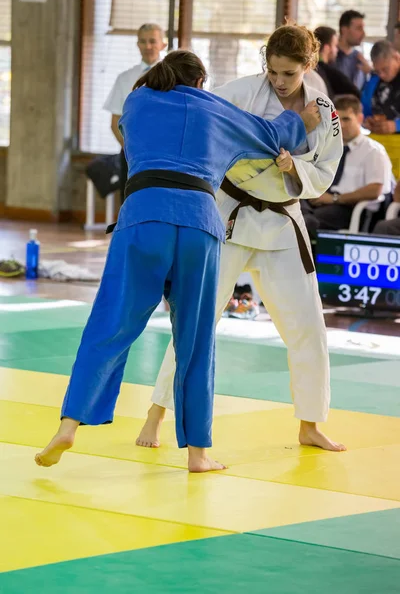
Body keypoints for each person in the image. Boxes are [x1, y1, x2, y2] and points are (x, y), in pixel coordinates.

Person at [35, 50, 319, 473]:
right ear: (201, 81)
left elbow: (130, 140)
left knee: (109, 326)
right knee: (196, 337)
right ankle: (199, 454)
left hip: (143, 216)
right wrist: (303, 122)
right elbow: (270, 135)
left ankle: (69, 425)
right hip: (199, 223)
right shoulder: (214, 109)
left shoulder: (137, 102)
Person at [137, 23, 347, 454]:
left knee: (308, 327)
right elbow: (206, 139)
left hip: (283, 221)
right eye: (273, 71)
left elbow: (327, 171)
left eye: (289, 73)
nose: (279, 81)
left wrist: (296, 171)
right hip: (230, 216)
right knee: (195, 323)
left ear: (309, 66)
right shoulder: (237, 93)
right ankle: (155, 413)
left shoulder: (326, 112)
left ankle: (309, 424)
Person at [302, 94, 392, 235]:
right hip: (320, 201)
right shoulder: (326, 146)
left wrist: (333, 199)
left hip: (348, 208)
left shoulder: (373, 151)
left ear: (360, 119)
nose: (341, 125)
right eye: (336, 119)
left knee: (311, 220)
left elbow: (375, 190)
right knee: (292, 206)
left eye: (346, 119)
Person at [103, 23, 167, 202]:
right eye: (143, 41)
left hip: (164, 155)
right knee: (130, 201)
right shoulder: (125, 79)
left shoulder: (174, 78)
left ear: (163, 44)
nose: (148, 46)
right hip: (131, 156)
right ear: (137, 44)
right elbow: (115, 121)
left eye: (152, 41)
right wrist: (131, 150)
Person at [362, 40, 400, 135]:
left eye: (385, 69)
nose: (382, 75)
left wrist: (396, 125)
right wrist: (368, 121)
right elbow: (364, 109)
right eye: (378, 71)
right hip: (378, 142)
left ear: (397, 58)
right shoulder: (373, 80)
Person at [314, 26, 360, 99]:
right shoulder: (330, 73)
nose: (337, 50)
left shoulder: (306, 70)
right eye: (335, 46)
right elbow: (356, 93)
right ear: (327, 48)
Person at [334, 10, 371, 90]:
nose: (363, 33)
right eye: (359, 28)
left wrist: (370, 73)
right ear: (344, 30)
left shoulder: (360, 59)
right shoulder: (331, 55)